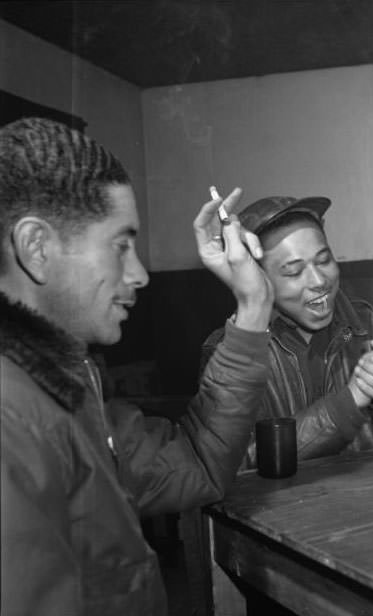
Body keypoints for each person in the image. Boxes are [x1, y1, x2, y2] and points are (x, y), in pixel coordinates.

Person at [0, 117, 273, 615]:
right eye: (121, 245)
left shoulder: (67, 383)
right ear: (37, 248)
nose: (140, 274)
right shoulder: (10, 417)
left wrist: (253, 302)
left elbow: (196, 463)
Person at [201, 196, 373, 468]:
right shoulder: (233, 353)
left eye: (324, 261)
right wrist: (349, 401)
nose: (319, 281)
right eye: (294, 271)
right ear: (258, 280)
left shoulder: (362, 326)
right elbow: (236, 467)